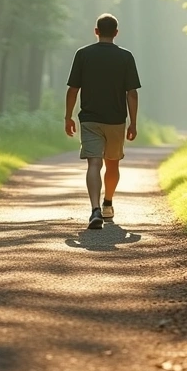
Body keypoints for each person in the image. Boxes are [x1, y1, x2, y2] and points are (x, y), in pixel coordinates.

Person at [64, 13, 141, 230]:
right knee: (113, 163)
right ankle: (108, 204)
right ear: (116, 33)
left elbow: (73, 89)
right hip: (116, 120)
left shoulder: (83, 54)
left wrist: (68, 116)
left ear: (96, 31)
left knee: (94, 163)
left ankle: (95, 209)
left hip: (89, 119)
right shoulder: (126, 57)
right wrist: (133, 123)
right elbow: (132, 93)